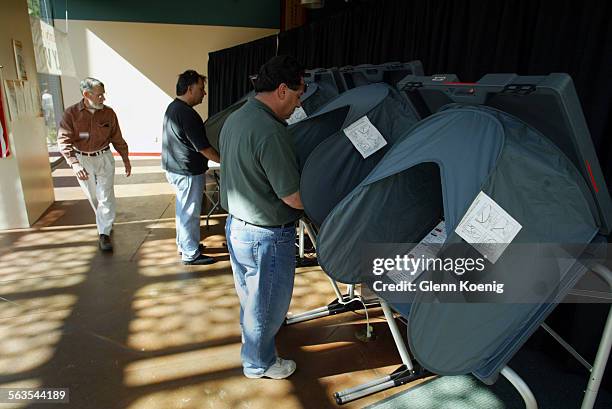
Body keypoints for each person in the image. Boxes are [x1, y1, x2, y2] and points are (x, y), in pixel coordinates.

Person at [220, 55, 305, 379]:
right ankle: (259, 363)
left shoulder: (237, 117)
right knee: (267, 305)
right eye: (297, 97)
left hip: (238, 227)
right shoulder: (270, 131)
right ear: (282, 90)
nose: (297, 107)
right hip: (266, 235)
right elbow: (292, 196)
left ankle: (254, 348)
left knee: (251, 297)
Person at [58, 77, 131, 252]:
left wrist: (126, 159)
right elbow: (63, 140)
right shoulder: (71, 114)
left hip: (104, 157)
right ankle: (104, 222)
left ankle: (104, 233)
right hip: (82, 159)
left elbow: (117, 138)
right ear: (86, 94)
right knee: (93, 196)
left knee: (105, 195)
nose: (103, 99)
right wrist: (74, 164)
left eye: (103, 95)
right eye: (99, 95)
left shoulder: (109, 113)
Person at [162, 70, 220, 265]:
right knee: (190, 212)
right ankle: (190, 253)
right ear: (189, 89)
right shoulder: (187, 114)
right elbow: (203, 147)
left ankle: (184, 244)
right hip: (186, 171)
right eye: (201, 89)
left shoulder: (174, 108)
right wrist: (225, 161)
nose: (204, 93)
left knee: (183, 209)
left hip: (175, 168)